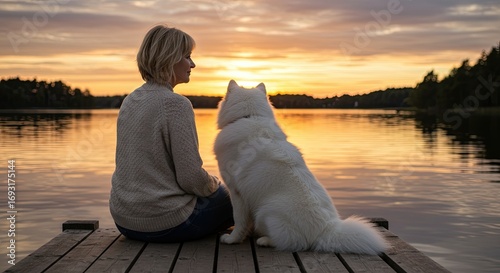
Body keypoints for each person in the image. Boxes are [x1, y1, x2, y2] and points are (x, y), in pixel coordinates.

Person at [109, 25, 233, 243]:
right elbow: (191, 179)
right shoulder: (175, 104)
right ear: (169, 58)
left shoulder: (130, 100)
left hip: (124, 221)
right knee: (233, 196)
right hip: (167, 224)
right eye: (187, 57)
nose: (192, 64)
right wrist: (215, 184)